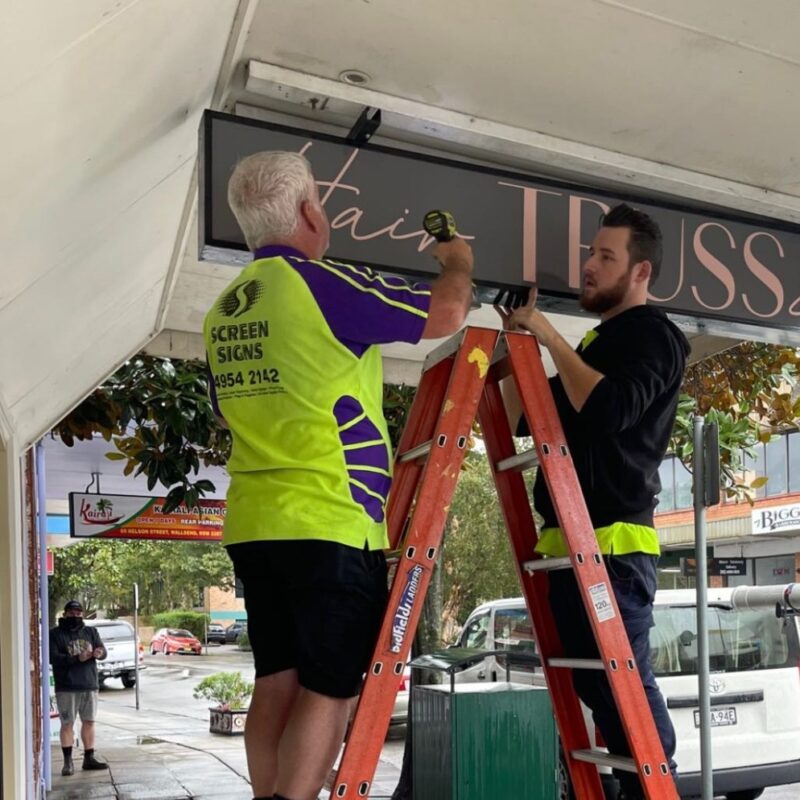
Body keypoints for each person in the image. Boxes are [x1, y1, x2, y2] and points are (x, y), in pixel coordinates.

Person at [202, 150, 474, 800]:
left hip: (255, 524)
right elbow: (446, 313)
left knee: (279, 677)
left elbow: (225, 407)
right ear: (308, 212)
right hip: (328, 519)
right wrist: (458, 258)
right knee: (330, 683)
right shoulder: (320, 285)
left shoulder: (225, 311)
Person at [501, 203, 689, 799]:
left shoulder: (656, 337)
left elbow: (609, 410)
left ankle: (659, 788)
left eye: (605, 257)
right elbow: (520, 415)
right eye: (592, 253)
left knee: (623, 691)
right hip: (567, 546)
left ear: (641, 272)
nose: (589, 266)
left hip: (610, 545)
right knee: (599, 695)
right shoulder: (598, 345)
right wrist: (514, 346)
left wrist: (548, 336)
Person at [49, 600, 109, 776]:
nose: (75, 616)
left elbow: (103, 651)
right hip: (66, 687)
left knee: (89, 722)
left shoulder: (90, 631)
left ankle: (89, 758)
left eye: (78, 613)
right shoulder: (55, 634)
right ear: (65, 613)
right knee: (67, 723)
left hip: (89, 684)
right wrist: (77, 659)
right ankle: (68, 762)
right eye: (72, 613)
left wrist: (100, 653)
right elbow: (54, 658)